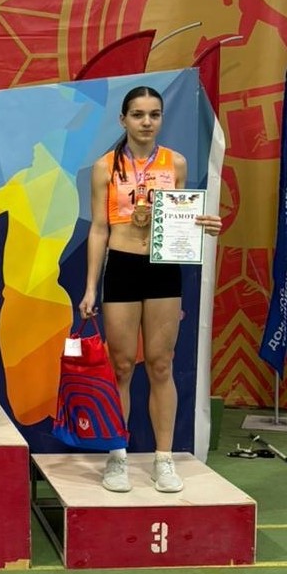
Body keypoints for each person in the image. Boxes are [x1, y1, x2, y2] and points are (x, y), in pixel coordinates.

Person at [78, 86, 222, 493]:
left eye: (154, 115)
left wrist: (204, 224)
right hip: (122, 268)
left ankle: (164, 459)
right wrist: (90, 287)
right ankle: (117, 456)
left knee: (161, 364)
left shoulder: (175, 162)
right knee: (121, 366)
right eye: (138, 114)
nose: (146, 122)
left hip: (162, 270)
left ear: (161, 119)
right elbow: (99, 229)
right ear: (123, 119)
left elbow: (181, 218)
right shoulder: (105, 167)